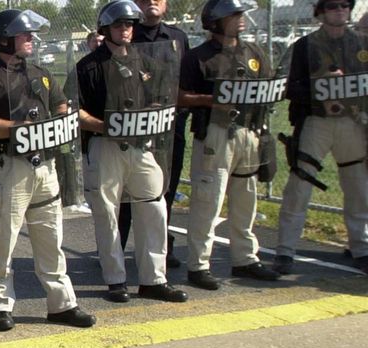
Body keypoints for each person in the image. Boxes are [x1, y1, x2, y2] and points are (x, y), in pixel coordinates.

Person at [0, 9, 97, 332]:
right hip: (6, 167)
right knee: (3, 239)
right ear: (5, 38)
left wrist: (61, 116)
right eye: (25, 35)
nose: (31, 39)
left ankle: (62, 304)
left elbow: (61, 105)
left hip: (45, 164)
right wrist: (17, 128)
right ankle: (1, 306)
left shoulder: (41, 72)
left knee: (51, 235)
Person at [76, 0, 188, 303]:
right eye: (118, 25)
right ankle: (115, 279)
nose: (125, 30)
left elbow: (162, 99)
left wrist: (148, 115)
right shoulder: (88, 66)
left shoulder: (148, 62)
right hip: (105, 147)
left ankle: (154, 278)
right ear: (105, 29)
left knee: (154, 207)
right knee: (107, 213)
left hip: (143, 146)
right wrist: (107, 126)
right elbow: (75, 112)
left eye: (129, 24)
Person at [179, 0, 282, 288]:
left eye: (242, 14)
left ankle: (245, 259)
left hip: (249, 131)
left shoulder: (254, 52)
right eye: (234, 15)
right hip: (215, 132)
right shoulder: (199, 57)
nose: (241, 19)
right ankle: (198, 265)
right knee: (208, 200)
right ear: (215, 20)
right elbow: (179, 97)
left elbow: (270, 86)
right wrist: (211, 100)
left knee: (246, 199)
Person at [276, 0, 368, 274]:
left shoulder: (361, 44)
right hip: (317, 121)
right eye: (331, 6)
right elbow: (288, 87)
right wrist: (320, 90)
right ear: (320, 11)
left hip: (352, 123)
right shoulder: (305, 46)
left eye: (344, 5)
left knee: (358, 187)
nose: (339, 10)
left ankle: (361, 248)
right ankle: (285, 251)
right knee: (299, 187)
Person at [117, 0, 191, 269]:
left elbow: (187, 81)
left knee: (165, 190)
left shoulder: (178, 37)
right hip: (132, 132)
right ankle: (117, 249)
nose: (151, 2)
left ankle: (161, 248)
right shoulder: (125, 34)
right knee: (126, 194)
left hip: (170, 130)